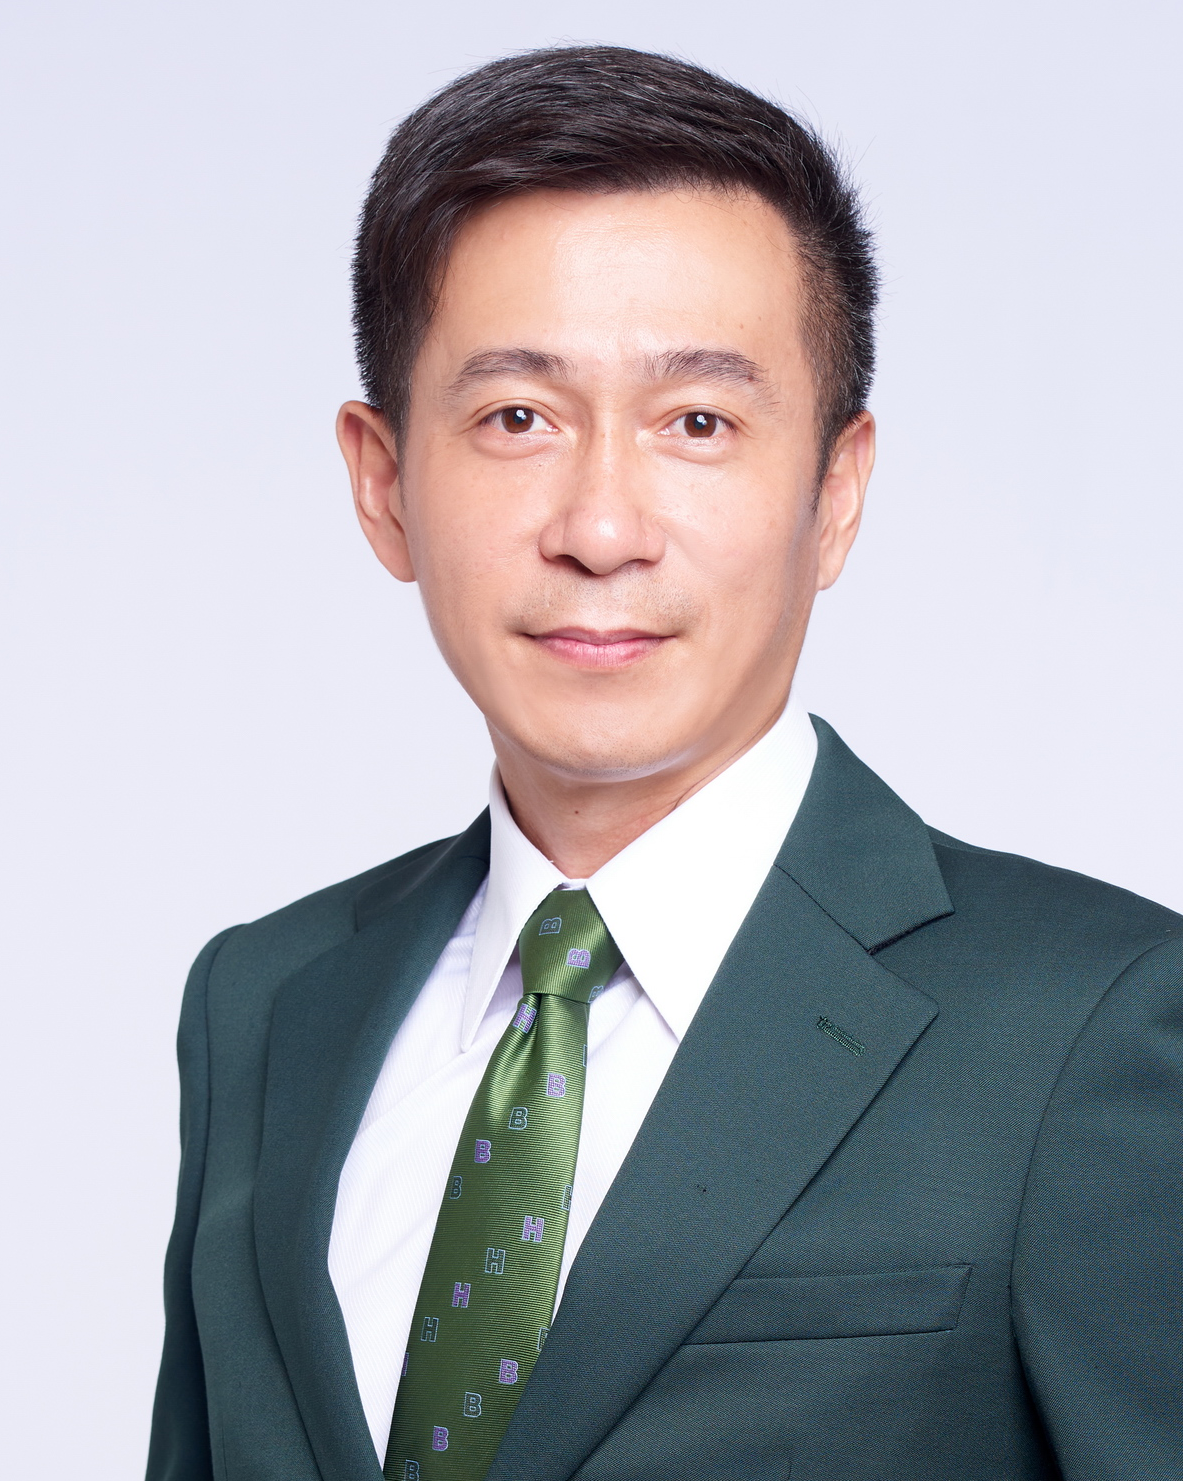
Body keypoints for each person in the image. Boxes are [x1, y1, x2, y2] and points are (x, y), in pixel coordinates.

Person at [146, 45, 1182, 1481]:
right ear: (383, 484)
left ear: (835, 492)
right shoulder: (263, 1001)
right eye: (517, 418)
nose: (600, 527)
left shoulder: (1091, 1025)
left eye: (698, 423)